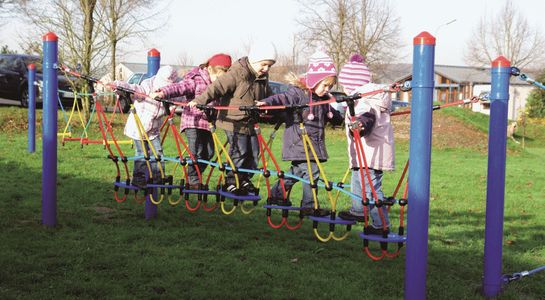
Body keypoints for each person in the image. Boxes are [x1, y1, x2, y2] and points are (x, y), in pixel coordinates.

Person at [255, 49, 343, 217]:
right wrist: (265, 103)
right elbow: (281, 99)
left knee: (296, 174)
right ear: (314, 81)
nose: (327, 89)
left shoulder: (323, 99)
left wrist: (340, 118)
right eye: (325, 85)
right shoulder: (298, 93)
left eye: (330, 86)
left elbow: (332, 115)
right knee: (312, 173)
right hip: (299, 143)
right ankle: (309, 206)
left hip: (312, 145)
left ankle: (276, 195)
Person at [188, 43, 276, 196]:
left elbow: (268, 94)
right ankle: (230, 181)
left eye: (269, 66)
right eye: (264, 64)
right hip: (232, 121)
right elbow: (217, 87)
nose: (266, 69)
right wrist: (200, 100)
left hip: (250, 121)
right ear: (255, 60)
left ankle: (244, 179)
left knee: (254, 153)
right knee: (239, 151)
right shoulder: (238, 72)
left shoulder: (262, 77)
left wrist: (270, 103)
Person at [149, 54, 232, 189]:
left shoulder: (219, 85)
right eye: (218, 78)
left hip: (207, 123)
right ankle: (193, 181)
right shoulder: (196, 79)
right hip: (192, 121)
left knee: (209, 152)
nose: (218, 83)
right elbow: (179, 87)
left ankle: (194, 175)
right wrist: (163, 92)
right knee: (195, 151)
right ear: (210, 70)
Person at [337, 54, 395, 235]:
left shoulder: (365, 101)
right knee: (357, 181)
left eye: (346, 87)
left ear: (353, 86)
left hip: (370, 155)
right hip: (364, 155)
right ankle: (357, 211)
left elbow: (366, 117)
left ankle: (380, 225)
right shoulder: (369, 98)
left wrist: (360, 125)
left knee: (371, 189)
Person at [112, 65, 179, 188]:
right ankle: (138, 178)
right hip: (138, 128)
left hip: (153, 130)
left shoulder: (170, 93)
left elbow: (181, 96)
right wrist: (117, 85)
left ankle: (158, 176)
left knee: (158, 153)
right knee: (142, 154)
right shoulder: (147, 87)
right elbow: (133, 88)